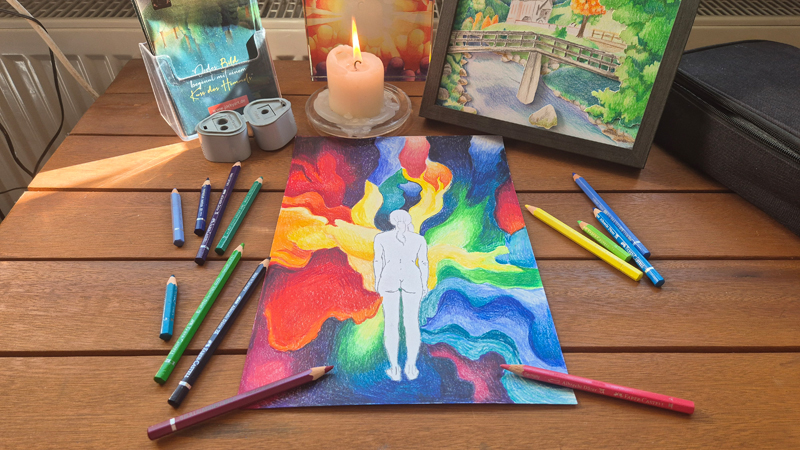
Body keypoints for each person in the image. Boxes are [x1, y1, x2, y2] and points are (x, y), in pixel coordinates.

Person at [373, 210, 429, 381]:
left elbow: (378, 261)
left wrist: (377, 282)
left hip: (389, 279)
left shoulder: (381, 238)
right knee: (411, 323)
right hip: (412, 279)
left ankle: (395, 367)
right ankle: (410, 366)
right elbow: (423, 263)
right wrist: (424, 284)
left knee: (391, 324)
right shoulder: (418, 239)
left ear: (392, 221)